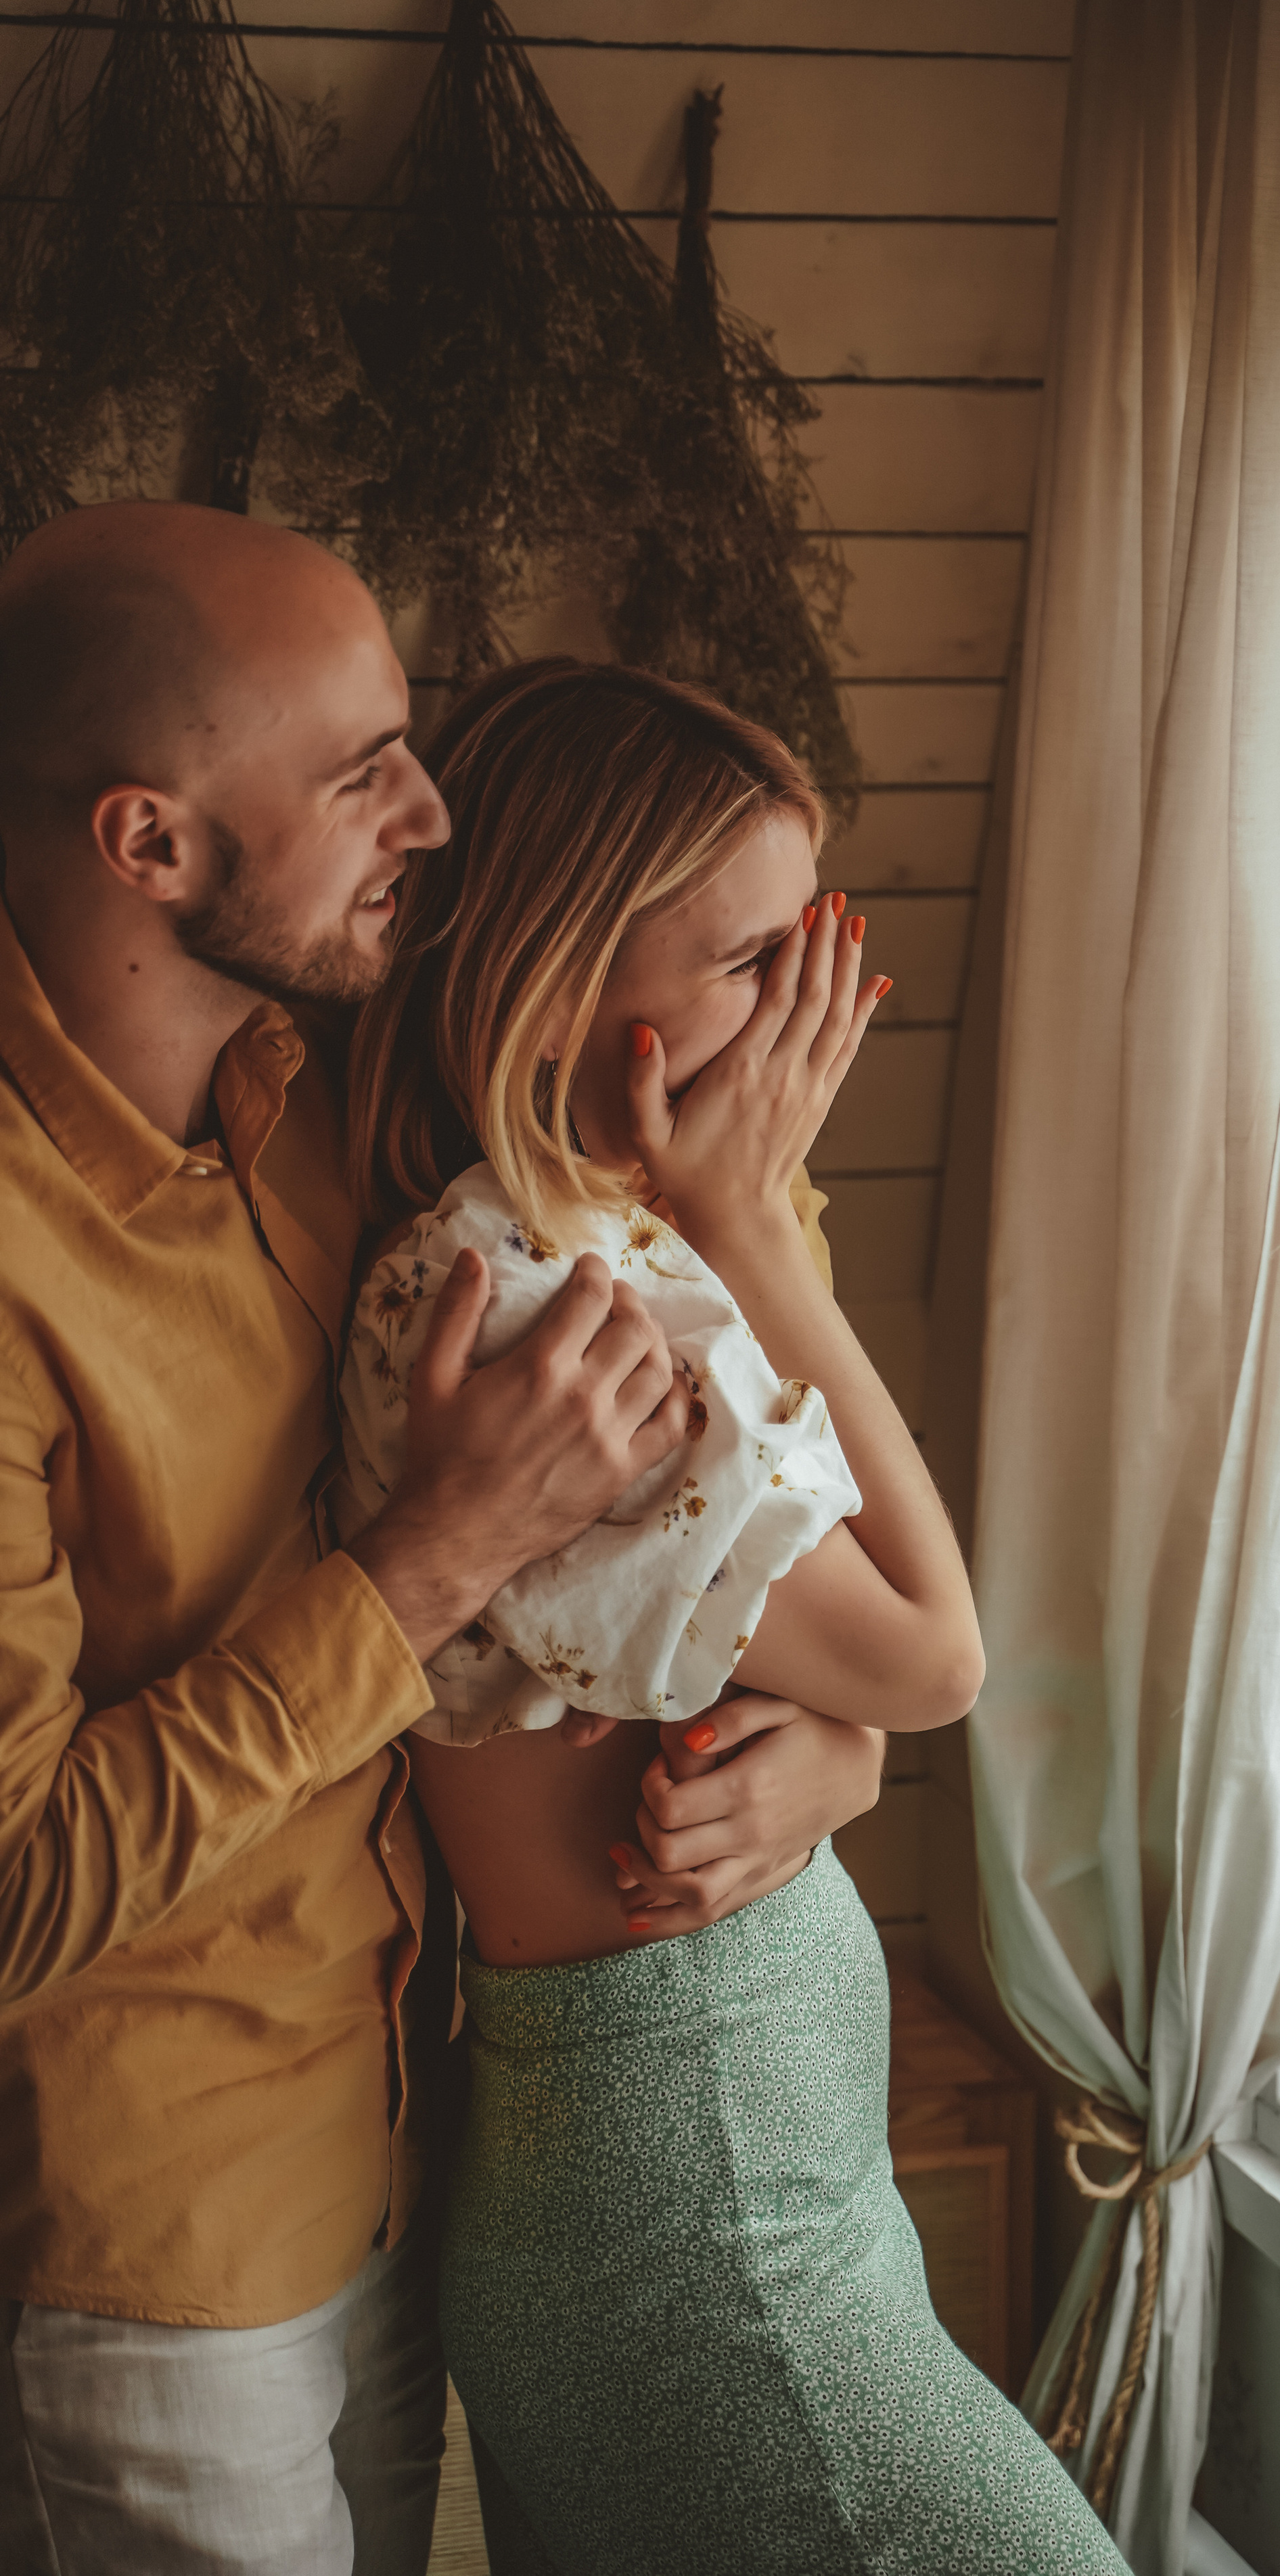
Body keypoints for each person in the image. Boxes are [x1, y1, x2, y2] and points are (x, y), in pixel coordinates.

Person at [0, 504, 888, 2576]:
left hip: (426, 2146)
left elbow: (601, 1594)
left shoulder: (338, 1108)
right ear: (151, 843)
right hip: (155, 2264)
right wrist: (423, 1559)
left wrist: (836, 1749)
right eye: (360, 770)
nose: (431, 812)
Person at [342, 657, 1131, 2576]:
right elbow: (934, 1654)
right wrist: (762, 1224)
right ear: (556, 990)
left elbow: (815, 1677)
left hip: (713, 2177)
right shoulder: (556, 1314)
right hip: (696, 2211)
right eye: (755, 960)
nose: (814, 1013)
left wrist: (839, 1758)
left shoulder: (598, 1248)